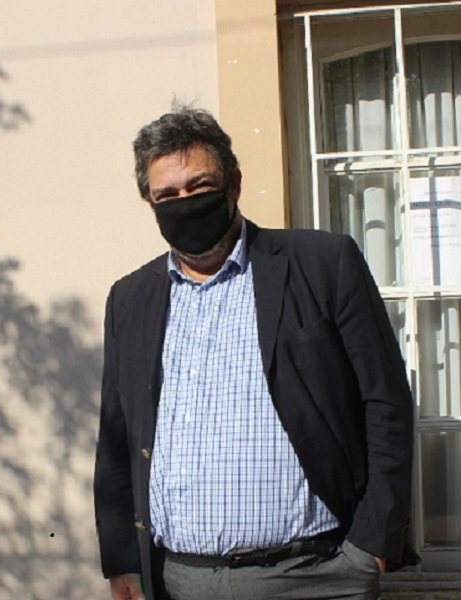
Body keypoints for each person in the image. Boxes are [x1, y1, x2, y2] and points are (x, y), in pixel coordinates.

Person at [93, 104, 415, 600]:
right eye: (168, 195)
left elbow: (386, 402)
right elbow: (116, 440)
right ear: (150, 202)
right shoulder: (130, 299)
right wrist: (122, 562)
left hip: (316, 575)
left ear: (234, 183)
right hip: (180, 581)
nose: (185, 204)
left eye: (200, 186)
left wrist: (371, 544)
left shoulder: (324, 264)